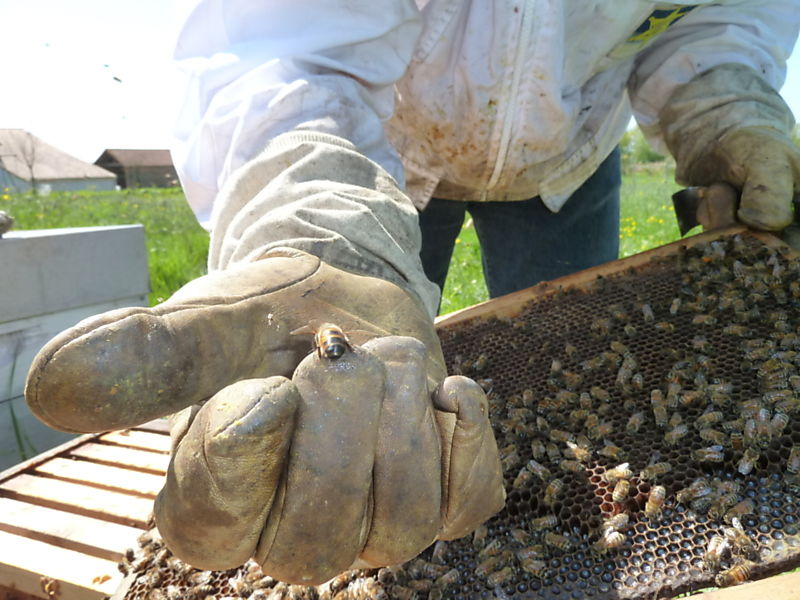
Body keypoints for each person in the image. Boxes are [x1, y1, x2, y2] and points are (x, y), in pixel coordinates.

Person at [25, 0, 800, 586]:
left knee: (562, 371)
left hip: (568, 154)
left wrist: (721, 92)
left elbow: (714, 12)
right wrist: (321, 219)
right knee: (377, 385)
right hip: (379, 146)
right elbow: (282, 45)